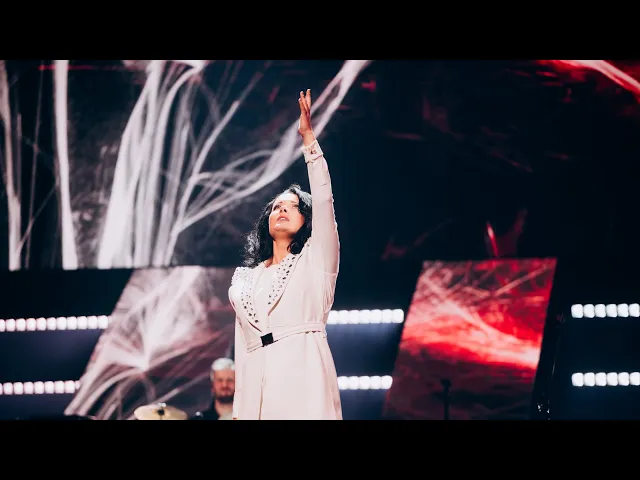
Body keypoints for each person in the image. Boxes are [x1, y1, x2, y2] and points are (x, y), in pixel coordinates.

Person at [228, 89, 342, 420]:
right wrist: (238, 407)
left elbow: (324, 200)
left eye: (292, 206)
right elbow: (243, 343)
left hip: (302, 377)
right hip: (256, 386)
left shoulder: (316, 259)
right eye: (277, 206)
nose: (282, 210)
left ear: (306, 219)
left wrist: (309, 141)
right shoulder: (245, 278)